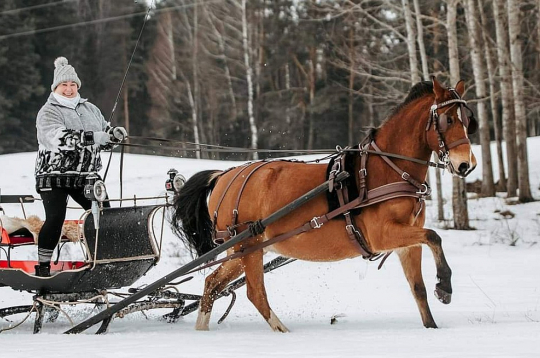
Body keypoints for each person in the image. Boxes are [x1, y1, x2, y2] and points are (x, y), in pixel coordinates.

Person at [34, 57, 127, 277]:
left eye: (72, 85)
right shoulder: (48, 112)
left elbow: (102, 137)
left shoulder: (91, 109)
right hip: (53, 175)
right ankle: (44, 267)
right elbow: (58, 138)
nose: (68, 89)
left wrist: (112, 136)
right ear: (56, 87)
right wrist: (93, 136)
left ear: (78, 86)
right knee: (56, 217)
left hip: (86, 176)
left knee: (104, 217)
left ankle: (102, 260)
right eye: (64, 85)